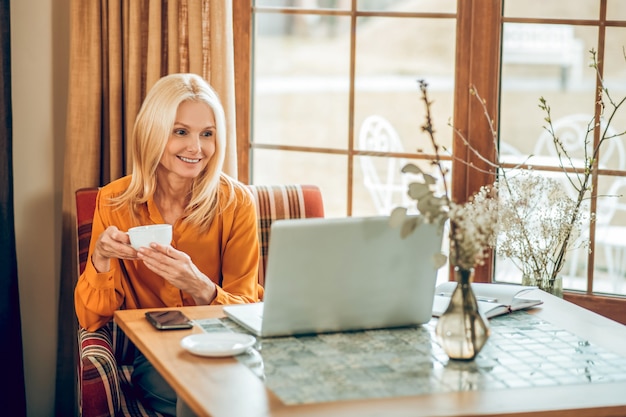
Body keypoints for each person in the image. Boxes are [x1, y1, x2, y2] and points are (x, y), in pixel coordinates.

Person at [74, 73, 261, 416]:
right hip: (156, 353)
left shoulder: (237, 202)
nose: (197, 147)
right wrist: (99, 258)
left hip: (228, 346)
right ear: (152, 133)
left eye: (207, 134)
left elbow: (248, 307)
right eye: (181, 132)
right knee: (207, 396)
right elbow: (91, 317)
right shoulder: (114, 202)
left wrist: (199, 285)